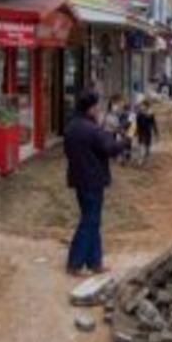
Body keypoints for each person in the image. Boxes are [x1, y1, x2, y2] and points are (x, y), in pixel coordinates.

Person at [64, 92, 129, 276]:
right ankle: (74, 263)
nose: (99, 110)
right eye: (97, 107)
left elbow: (96, 143)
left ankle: (95, 262)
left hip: (78, 179)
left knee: (92, 220)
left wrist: (111, 134)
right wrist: (126, 141)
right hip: (92, 181)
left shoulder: (72, 127)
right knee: (89, 221)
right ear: (90, 108)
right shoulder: (92, 129)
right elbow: (110, 148)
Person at [135, 100, 159, 165]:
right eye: (141, 106)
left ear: (147, 106)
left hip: (147, 132)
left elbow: (154, 124)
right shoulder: (139, 114)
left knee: (147, 147)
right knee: (141, 146)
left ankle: (146, 160)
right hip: (141, 132)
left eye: (143, 105)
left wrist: (156, 133)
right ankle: (140, 160)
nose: (141, 107)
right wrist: (135, 132)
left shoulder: (150, 114)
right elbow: (136, 124)